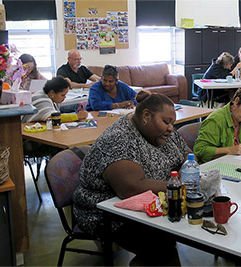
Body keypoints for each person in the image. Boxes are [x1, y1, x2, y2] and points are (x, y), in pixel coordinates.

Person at [73, 91, 189, 265]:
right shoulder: (118, 139)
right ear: (146, 116)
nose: (171, 128)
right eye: (166, 122)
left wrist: (184, 170)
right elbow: (131, 188)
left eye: (172, 122)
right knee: (160, 242)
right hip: (107, 213)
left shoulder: (163, 131)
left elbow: (187, 155)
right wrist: (179, 184)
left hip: (155, 200)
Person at [194, 86, 241, 163]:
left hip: (237, 164)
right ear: (236, 101)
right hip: (214, 167)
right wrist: (229, 150)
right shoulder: (215, 121)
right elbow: (200, 150)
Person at [22, 77, 88, 123]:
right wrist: (77, 116)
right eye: (62, 95)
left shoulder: (46, 95)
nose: (65, 97)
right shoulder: (42, 99)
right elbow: (54, 116)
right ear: (52, 93)